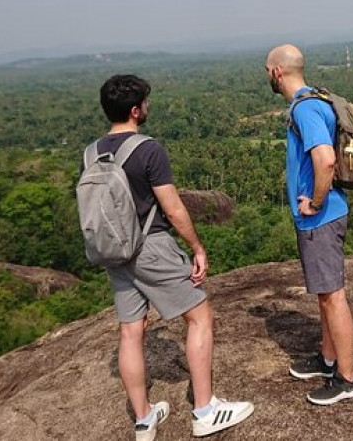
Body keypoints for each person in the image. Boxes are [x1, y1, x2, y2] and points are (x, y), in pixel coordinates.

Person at [89, 75, 253, 440]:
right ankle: (205, 410)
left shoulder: (92, 152)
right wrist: (196, 246)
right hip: (150, 246)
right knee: (200, 316)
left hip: (116, 252)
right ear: (135, 110)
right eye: (145, 102)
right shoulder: (148, 150)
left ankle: (144, 420)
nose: (148, 107)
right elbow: (174, 208)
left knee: (131, 331)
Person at [265, 45, 353, 406]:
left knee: (333, 296)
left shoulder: (305, 109)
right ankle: (327, 360)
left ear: (277, 72)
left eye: (267, 69)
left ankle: (347, 379)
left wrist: (316, 201)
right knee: (325, 295)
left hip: (321, 217)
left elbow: (325, 161)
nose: (267, 75)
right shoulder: (315, 99)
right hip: (324, 216)